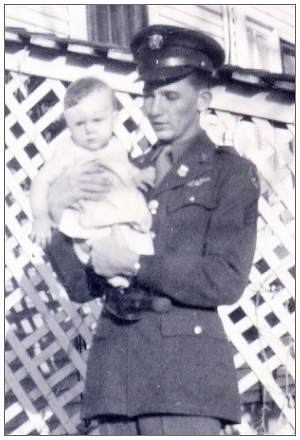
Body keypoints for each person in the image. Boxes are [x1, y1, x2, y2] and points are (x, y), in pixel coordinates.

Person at [46, 25, 260, 435]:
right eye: (148, 94)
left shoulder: (228, 174)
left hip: (186, 385)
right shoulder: (121, 169)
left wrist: (135, 263)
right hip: (114, 382)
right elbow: (79, 286)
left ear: (203, 100)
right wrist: (58, 211)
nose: (154, 108)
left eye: (170, 96)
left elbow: (225, 278)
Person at [30, 77, 155, 288]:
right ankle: (112, 276)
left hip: (118, 214)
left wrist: (137, 176)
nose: (89, 130)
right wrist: (40, 216)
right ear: (69, 126)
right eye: (80, 124)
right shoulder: (68, 151)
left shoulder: (116, 146)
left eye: (97, 121)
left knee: (137, 241)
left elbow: (125, 170)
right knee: (95, 243)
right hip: (89, 219)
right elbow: (41, 181)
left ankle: (134, 276)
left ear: (113, 119)